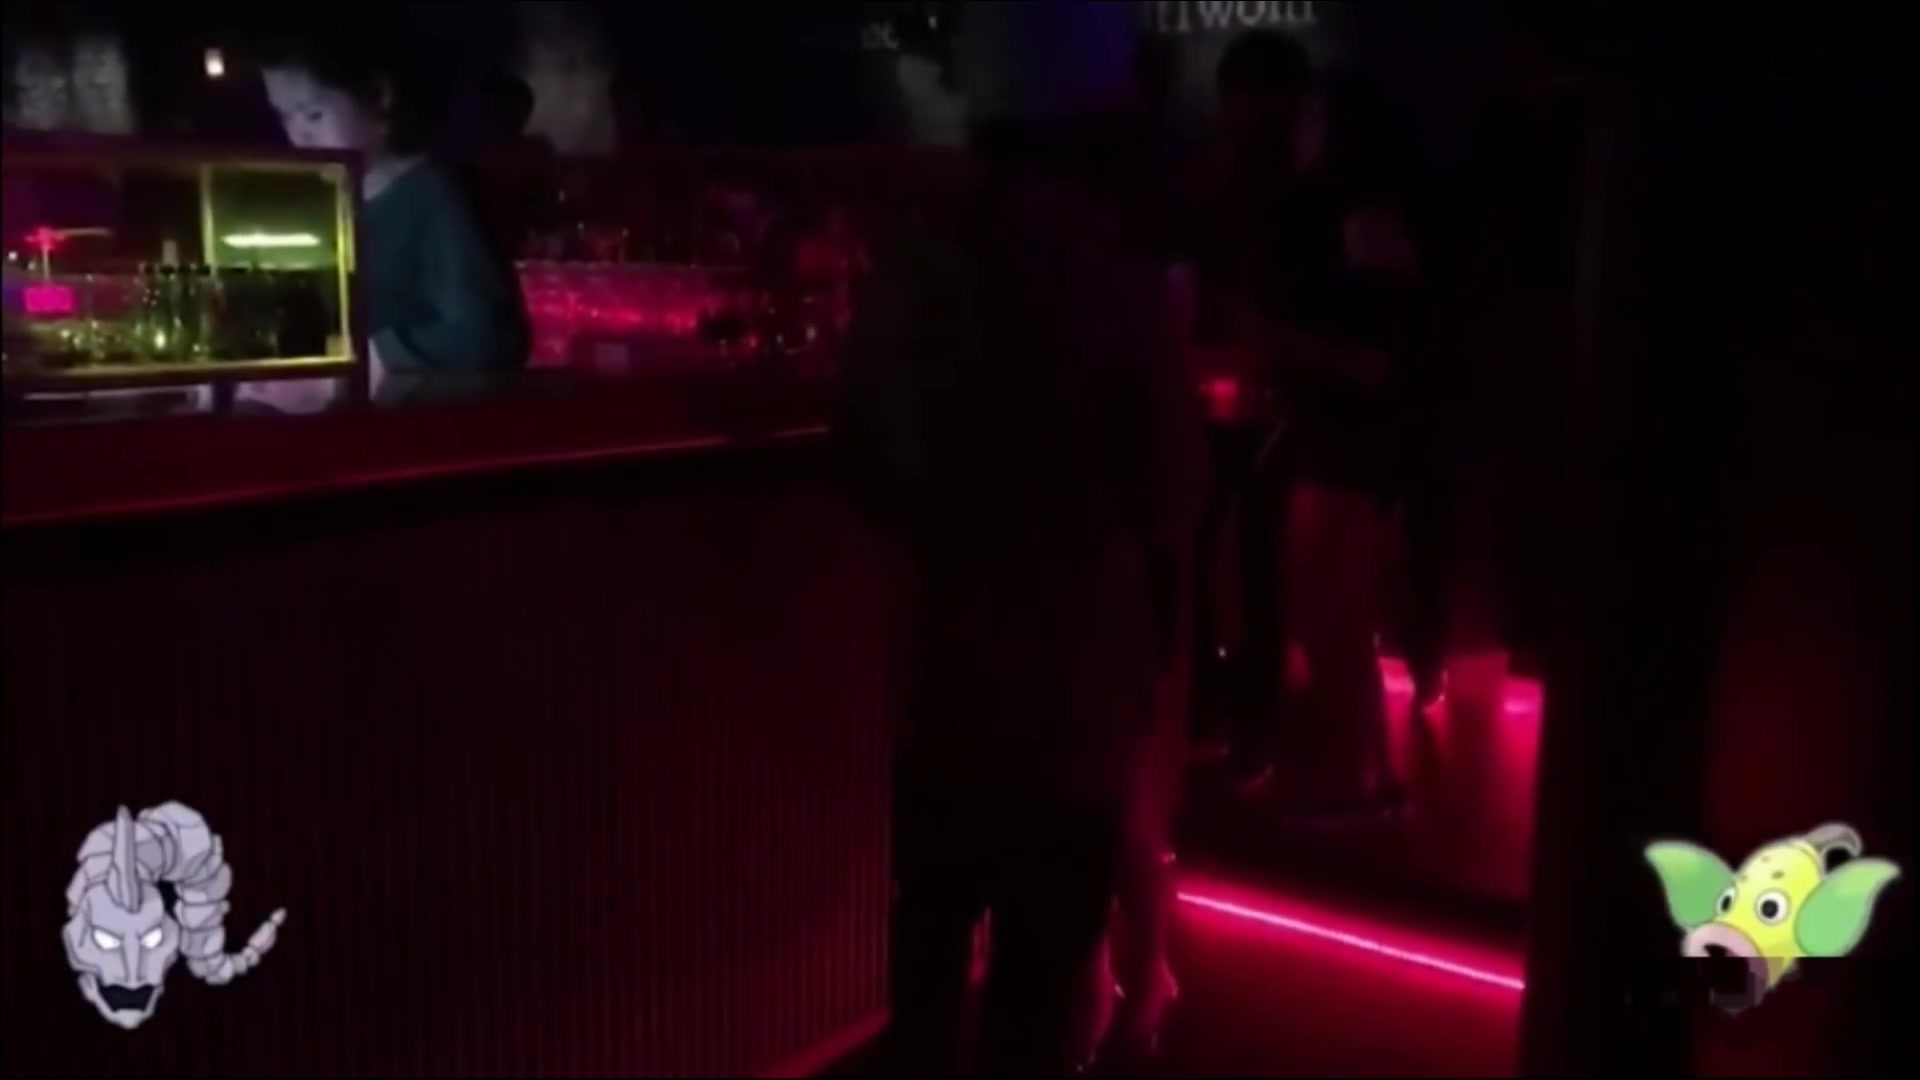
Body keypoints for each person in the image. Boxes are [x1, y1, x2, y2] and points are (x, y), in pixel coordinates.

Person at [838, 4, 1204, 1072]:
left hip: (944, 665)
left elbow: (864, 456)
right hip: (1076, 679)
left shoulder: (917, 263)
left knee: (928, 951)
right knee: (1041, 978)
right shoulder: (1124, 279)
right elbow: (1175, 488)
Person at [1196, 32, 1420, 812]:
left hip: (1350, 442)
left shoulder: (1358, 218)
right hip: (1342, 438)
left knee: (1330, 606)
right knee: (1331, 605)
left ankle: (1358, 780)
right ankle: (1365, 774)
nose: (1298, 127)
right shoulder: (1353, 215)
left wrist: (1268, 337)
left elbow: (1377, 360)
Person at [244, 31, 527, 411]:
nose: (299, 135)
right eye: (284, 118)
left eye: (313, 114)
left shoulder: (430, 191)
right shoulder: (327, 196)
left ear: (379, 97)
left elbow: (489, 333)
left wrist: (372, 360)